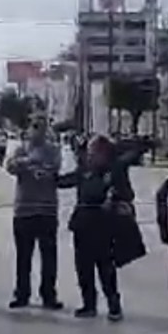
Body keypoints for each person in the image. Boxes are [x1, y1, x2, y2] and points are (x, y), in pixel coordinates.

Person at [58, 134, 134, 320]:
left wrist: (115, 198)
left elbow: (128, 194)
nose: (89, 156)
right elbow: (66, 181)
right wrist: (48, 178)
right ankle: (89, 304)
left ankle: (113, 305)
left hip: (103, 226)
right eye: (89, 153)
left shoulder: (114, 171)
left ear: (104, 153)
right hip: (82, 224)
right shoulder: (84, 170)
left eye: (93, 152)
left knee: (106, 267)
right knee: (83, 267)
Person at [5, 116, 64, 310]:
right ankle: (22, 293)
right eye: (34, 127)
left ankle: (48, 294)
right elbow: (10, 166)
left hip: (47, 209)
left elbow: (54, 169)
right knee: (23, 256)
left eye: (41, 127)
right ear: (29, 128)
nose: (37, 131)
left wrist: (35, 169)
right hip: (24, 210)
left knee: (49, 256)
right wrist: (29, 162)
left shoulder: (53, 150)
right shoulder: (21, 149)